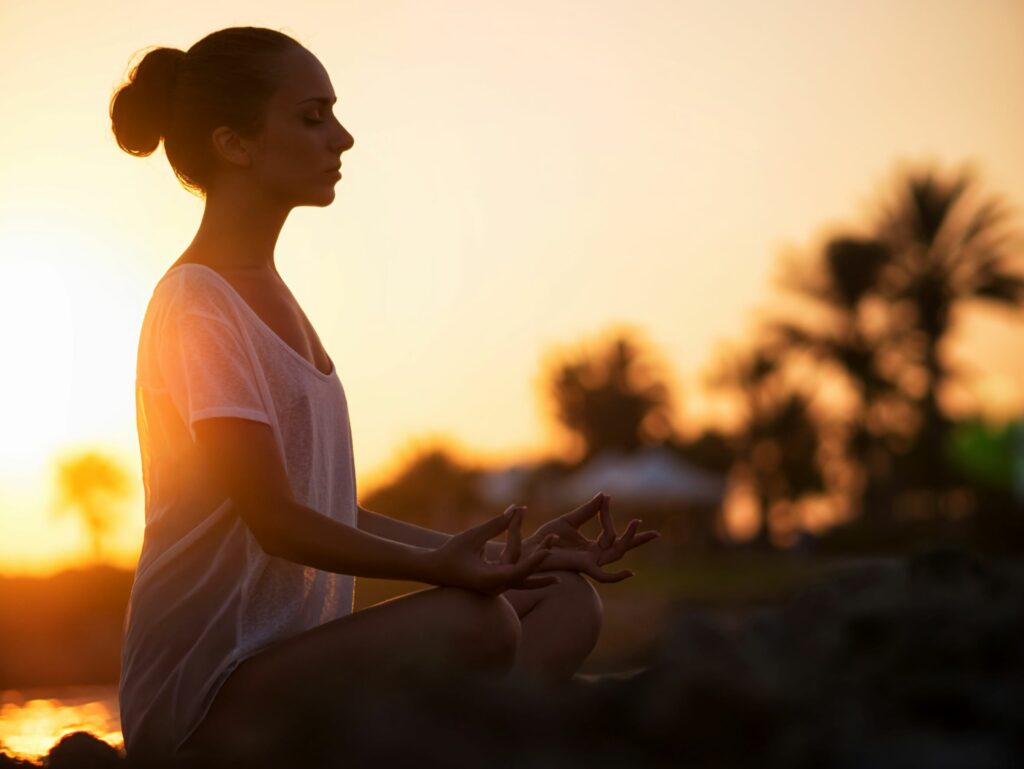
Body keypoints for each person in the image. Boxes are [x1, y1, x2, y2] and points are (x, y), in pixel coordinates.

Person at [110, 26, 659, 761]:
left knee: (561, 598)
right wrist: (444, 569)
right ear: (234, 144)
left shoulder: (270, 293)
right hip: (203, 699)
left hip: (291, 669)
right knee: (482, 624)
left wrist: (503, 552)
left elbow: (330, 510)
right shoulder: (197, 303)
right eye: (312, 116)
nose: (343, 138)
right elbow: (277, 521)